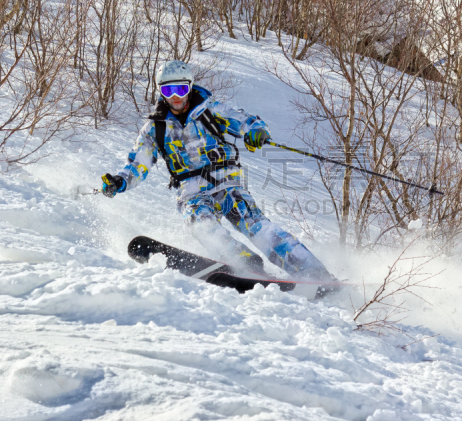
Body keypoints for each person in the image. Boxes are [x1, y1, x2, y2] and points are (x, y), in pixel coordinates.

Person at [101, 60, 333, 280]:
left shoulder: (210, 111)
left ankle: (312, 272)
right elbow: (137, 164)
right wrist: (120, 182)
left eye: (181, 90)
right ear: (160, 91)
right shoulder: (155, 128)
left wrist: (256, 131)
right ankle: (246, 264)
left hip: (227, 184)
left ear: (190, 88)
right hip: (192, 192)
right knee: (200, 223)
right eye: (168, 90)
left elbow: (246, 121)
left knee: (257, 226)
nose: (175, 97)